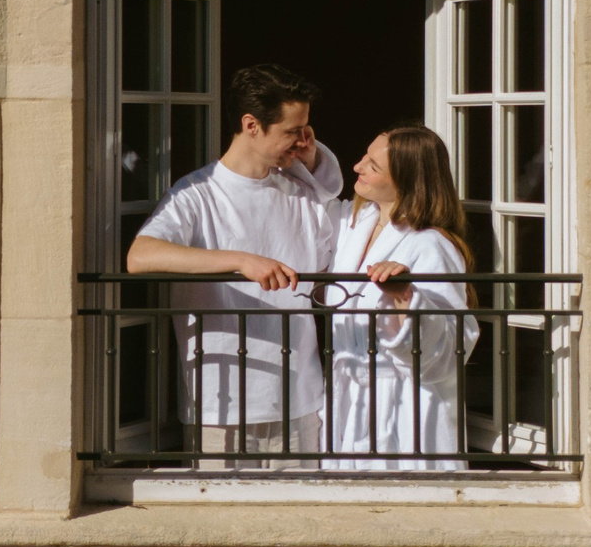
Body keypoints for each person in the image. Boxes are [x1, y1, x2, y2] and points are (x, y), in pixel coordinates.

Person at [126, 63, 340, 455]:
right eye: (292, 131)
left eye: (305, 130)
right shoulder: (195, 194)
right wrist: (241, 260)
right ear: (251, 125)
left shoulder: (303, 195)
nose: (302, 140)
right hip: (219, 407)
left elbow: (331, 273)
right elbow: (140, 256)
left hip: (301, 404)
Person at [325, 123, 478, 465]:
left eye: (373, 166)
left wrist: (405, 297)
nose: (357, 166)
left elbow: (451, 348)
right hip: (352, 403)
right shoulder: (356, 224)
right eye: (365, 156)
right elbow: (313, 202)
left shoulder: (431, 245)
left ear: (406, 182)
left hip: (408, 410)